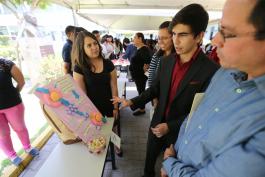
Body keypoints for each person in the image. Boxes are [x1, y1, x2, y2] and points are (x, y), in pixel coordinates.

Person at [112, 4, 219, 177]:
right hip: (156, 123)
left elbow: (203, 112)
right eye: (174, 34)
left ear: (199, 36)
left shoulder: (211, 70)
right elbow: (155, 89)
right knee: (148, 166)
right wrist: (132, 101)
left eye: (183, 35)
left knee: (170, 170)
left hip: (181, 133)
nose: (176, 41)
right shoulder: (166, 61)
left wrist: (170, 126)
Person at [161, 0, 265, 177]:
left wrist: (170, 164)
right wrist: (176, 150)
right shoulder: (225, 73)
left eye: (228, 33)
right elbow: (195, 115)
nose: (215, 40)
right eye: (219, 29)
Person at [72, 31, 122, 156]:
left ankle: (117, 146)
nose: (94, 47)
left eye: (95, 43)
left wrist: (116, 107)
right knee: (99, 137)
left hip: (109, 105)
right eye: (89, 45)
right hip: (92, 110)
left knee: (113, 129)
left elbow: (114, 86)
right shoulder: (79, 68)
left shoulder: (108, 64)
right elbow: (82, 96)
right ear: (81, 49)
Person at [0, 58, 39, 166]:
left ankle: (28, 147)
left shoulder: (5, 64)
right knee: (2, 134)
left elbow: (21, 82)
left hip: (13, 105)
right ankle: (12, 155)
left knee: (20, 128)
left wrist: (13, 95)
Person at [129, 32, 152, 116]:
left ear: (140, 39)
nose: (133, 39)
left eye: (134, 37)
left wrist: (145, 69)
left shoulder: (144, 49)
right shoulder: (139, 49)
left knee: (141, 91)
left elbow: (149, 61)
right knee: (140, 90)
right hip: (138, 75)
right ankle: (142, 108)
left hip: (140, 76)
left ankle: (142, 109)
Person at [147, 21, 175, 88]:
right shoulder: (156, 56)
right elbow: (151, 79)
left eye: (165, 38)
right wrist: (154, 97)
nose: (160, 42)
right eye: (159, 38)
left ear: (173, 38)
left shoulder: (178, 58)